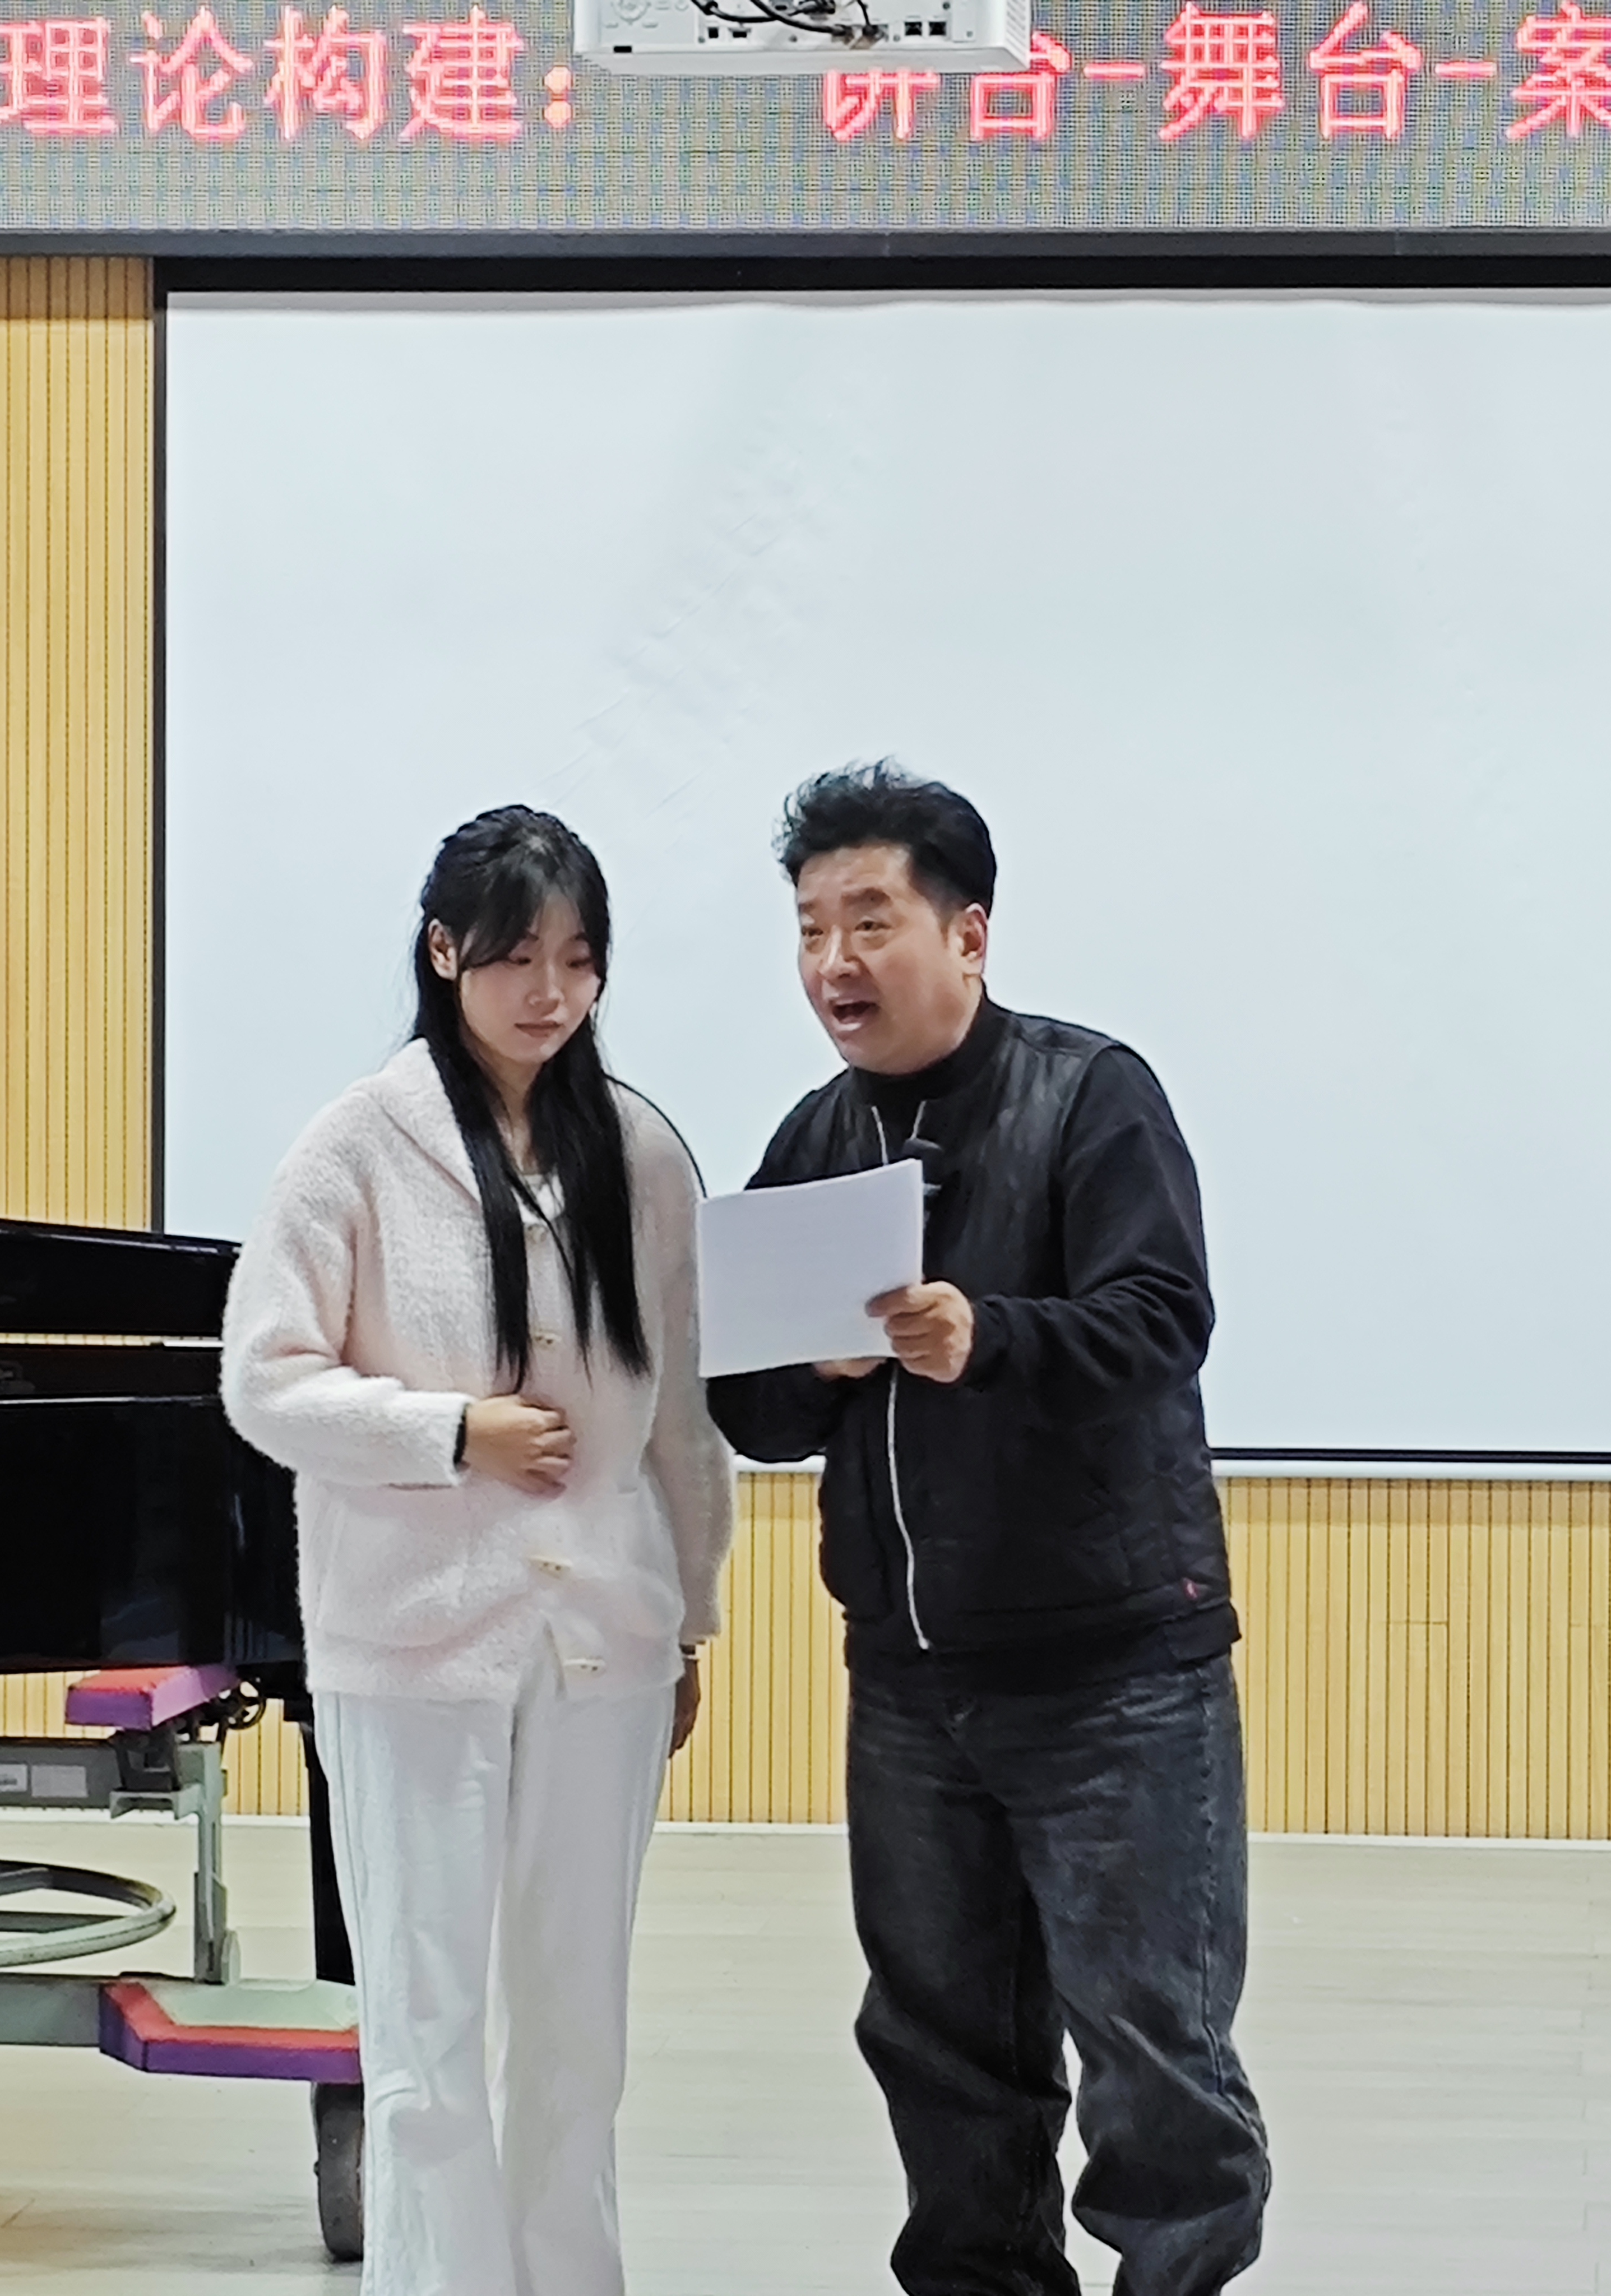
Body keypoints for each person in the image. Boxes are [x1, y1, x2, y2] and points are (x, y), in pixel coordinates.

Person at [708, 763, 1268, 2296]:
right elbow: (749, 1407)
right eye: (810, 928)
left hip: (1114, 1674)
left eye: (869, 920)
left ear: (968, 934)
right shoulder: (816, 1139)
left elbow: (1163, 1321)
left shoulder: (1090, 1095)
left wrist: (990, 1335)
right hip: (909, 1682)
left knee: (1153, 2049)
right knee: (941, 2047)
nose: (834, 961)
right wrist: (810, 1372)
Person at [222, 806, 733, 2296]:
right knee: (426, 2039)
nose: (550, 992)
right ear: (445, 952)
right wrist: (451, 1432)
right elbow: (266, 1380)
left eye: (580, 959)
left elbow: (683, 1418)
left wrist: (690, 1617)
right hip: (412, 1647)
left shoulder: (642, 1150)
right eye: (516, 957)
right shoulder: (356, 1144)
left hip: (604, 1644)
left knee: (580, 2034)